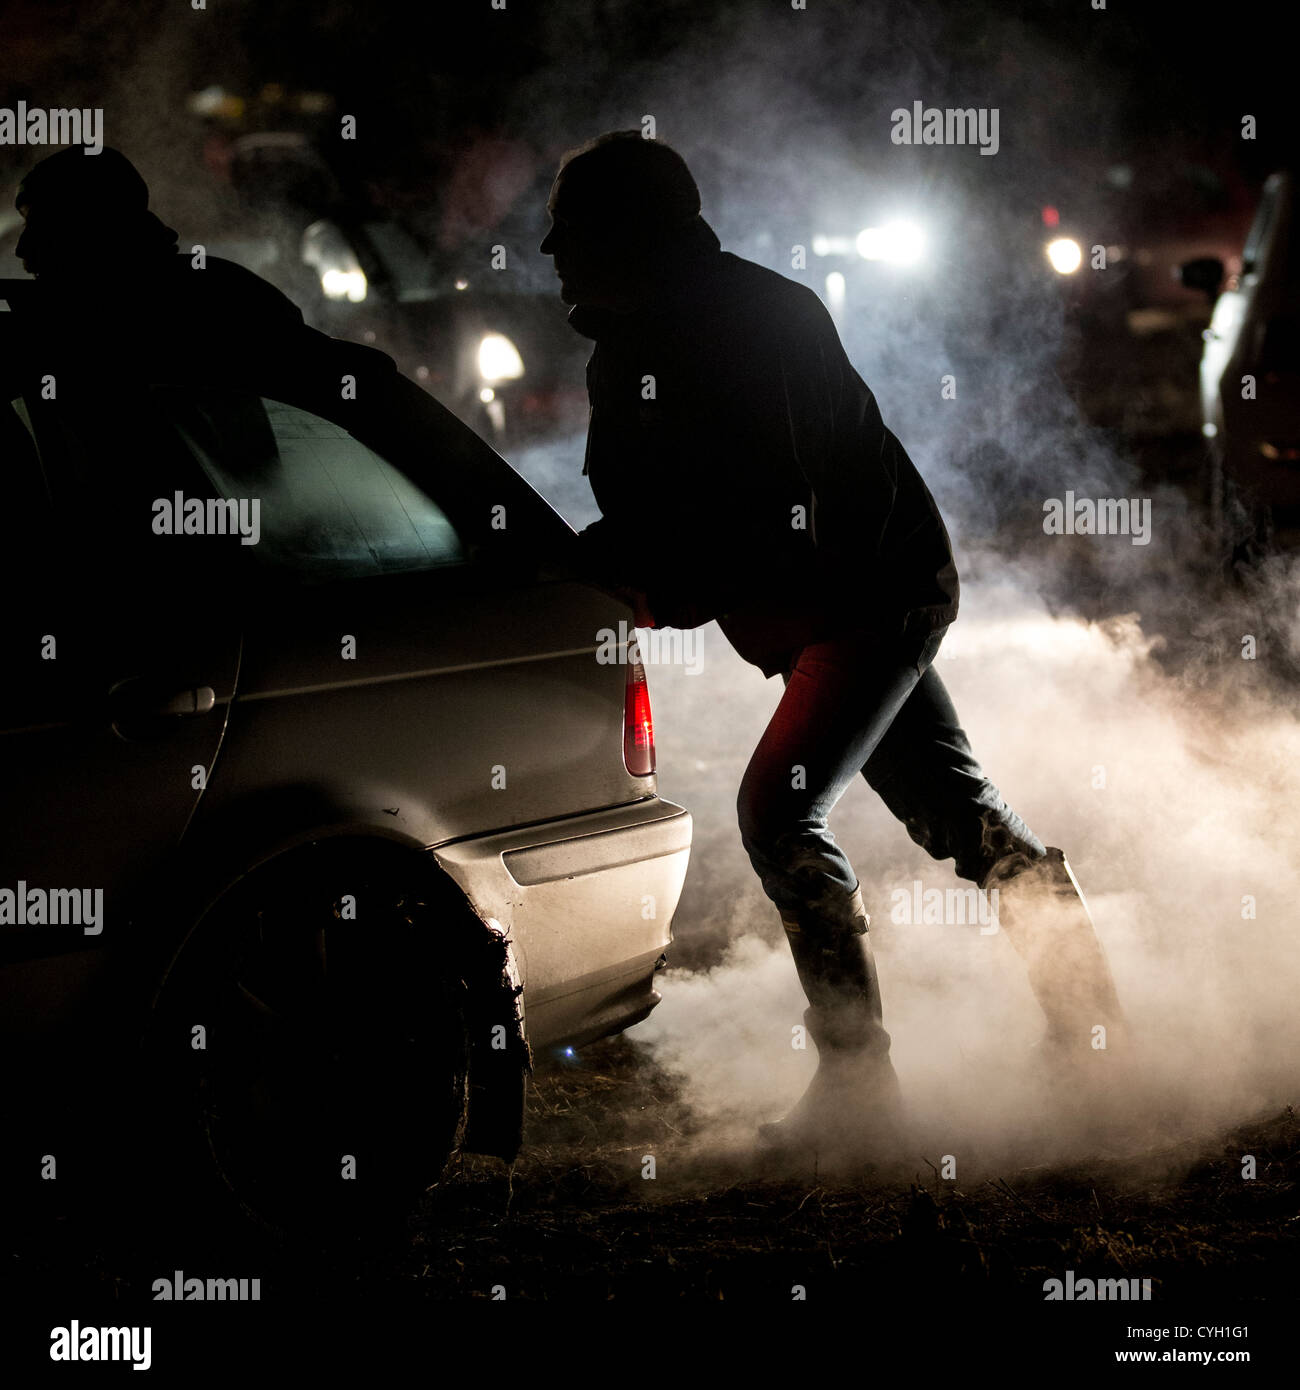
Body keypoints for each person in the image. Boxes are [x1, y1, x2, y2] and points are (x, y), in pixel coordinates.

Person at [540, 130, 1127, 1161]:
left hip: (866, 598)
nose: (552, 256)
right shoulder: (628, 347)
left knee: (776, 809)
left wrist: (665, 583)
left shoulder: (758, 320)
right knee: (958, 812)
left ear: (633, 234)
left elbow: (783, 515)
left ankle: (861, 1089)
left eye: (574, 234)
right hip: (829, 604)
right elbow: (656, 512)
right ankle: (1098, 1036)